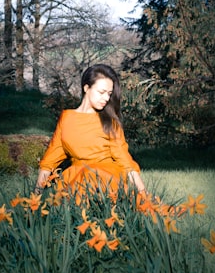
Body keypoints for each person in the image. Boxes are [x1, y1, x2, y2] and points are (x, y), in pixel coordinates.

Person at [36, 64, 146, 195]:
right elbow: (49, 160)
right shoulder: (67, 119)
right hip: (76, 179)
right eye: (101, 92)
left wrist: (144, 194)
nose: (106, 98)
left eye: (109, 94)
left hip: (107, 179)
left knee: (90, 183)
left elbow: (125, 160)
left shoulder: (110, 122)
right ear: (86, 88)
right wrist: (35, 196)